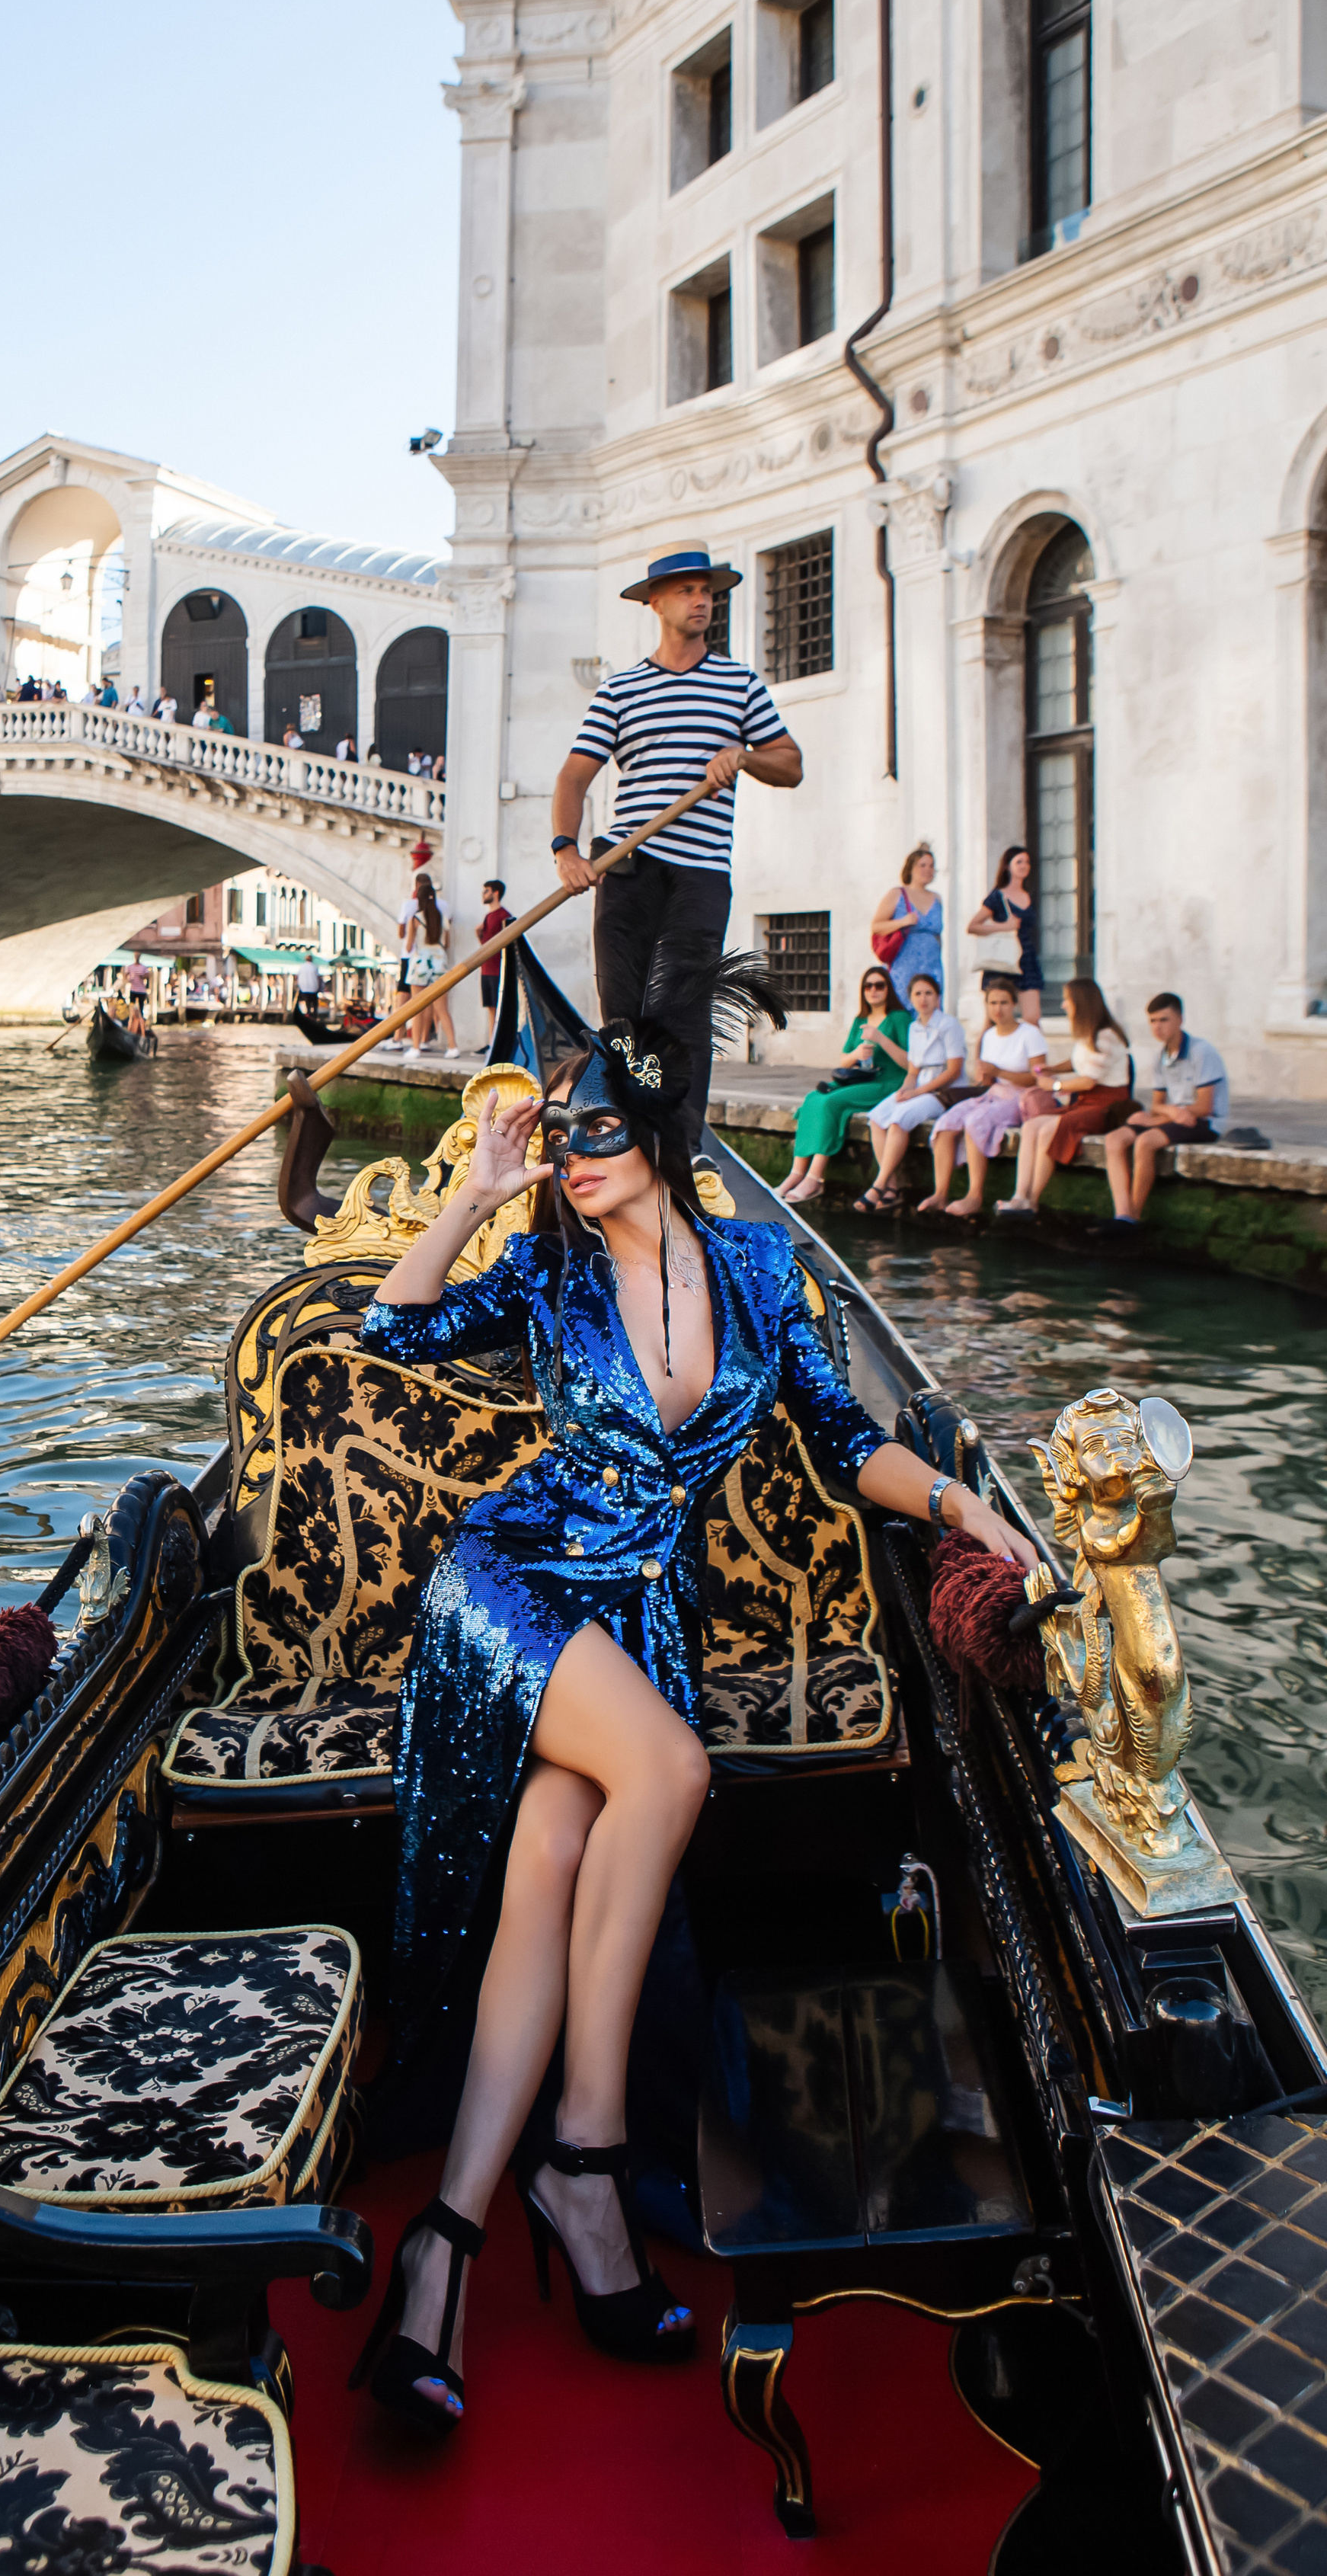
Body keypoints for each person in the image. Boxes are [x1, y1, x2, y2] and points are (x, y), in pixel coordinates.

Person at [350, 983, 1039, 2437]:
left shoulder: (761, 1273)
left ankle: (448, 2242)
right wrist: (473, 1194)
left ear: (661, 1130)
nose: (571, 1153)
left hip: (640, 1618)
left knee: (550, 1860)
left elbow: (846, 1441)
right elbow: (391, 1339)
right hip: (515, 1586)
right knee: (666, 1769)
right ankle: (587, 2162)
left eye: (596, 1127)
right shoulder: (543, 1274)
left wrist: (965, 1501)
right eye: (556, 1134)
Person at [551, 546, 803, 1159]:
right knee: (624, 1012)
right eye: (688, 591)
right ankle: (621, 1136)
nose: (701, 601)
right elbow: (573, 779)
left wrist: (745, 757)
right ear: (656, 602)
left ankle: (680, 1149)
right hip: (626, 865)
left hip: (700, 871)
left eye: (707, 592)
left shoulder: (739, 683)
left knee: (682, 1011)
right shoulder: (620, 690)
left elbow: (790, 764)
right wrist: (566, 849)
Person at [773, 966, 913, 1205]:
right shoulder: (861, 1019)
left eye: (880, 985)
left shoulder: (900, 1018)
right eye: (868, 986)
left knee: (831, 1102)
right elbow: (844, 1059)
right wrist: (858, 1053)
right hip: (861, 1078)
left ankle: (815, 1178)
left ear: (889, 989)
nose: (874, 990)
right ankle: (796, 1173)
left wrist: (881, 1039)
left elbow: (910, 1063)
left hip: (890, 1082)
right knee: (812, 1099)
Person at [997, 979, 1134, 1216]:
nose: (1063, 1005)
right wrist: (1053, 1069)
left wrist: (1055, 1085)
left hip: (1107, 1106)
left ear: (1081, 1003)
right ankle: (1020, 1196)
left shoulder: (1107, 1036)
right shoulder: (1088, 1035)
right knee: (1030, 1127)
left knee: (1049, 1130)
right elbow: (1079, 1061)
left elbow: (1089, 1080)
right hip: (1085, 1103)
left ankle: (1033, 1200)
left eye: (1067, 1000)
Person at [920, 981, 1056, 1218]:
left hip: (1021, 1098)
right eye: (993, 1003)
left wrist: (999, 1072)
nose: (998, 1009)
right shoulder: (989, 1036)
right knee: (947, 1122)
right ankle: (940, 1193)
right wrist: (987, 1078)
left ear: (1014, 1004)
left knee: (976, 1121)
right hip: (994, 1094)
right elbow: (987, 1081)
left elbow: (1039, 1079)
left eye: (1004, 1002)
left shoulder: (1029, 1034)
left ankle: (974, 1196)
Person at [1102, 995, 1231, 1227]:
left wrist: (1164, 1115)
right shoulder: (1160, 1057)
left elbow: (1205, 1107)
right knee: (1114, 1139)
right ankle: (1121, 1213)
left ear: (1180, 1020)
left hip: (1206, 1122)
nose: (1158, 1027)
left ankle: (1133, 1217)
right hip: (1177, 1118)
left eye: (1164, 1020)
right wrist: (1167, 1114)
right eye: (1152, 1021)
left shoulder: (1202, 1052)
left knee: (1145, 1142)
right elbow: (1157, 1105)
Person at [855, 974, 966, 1210]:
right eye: (918, 994)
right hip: (919, 1088)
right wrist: (906, 1090)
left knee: (898, 1121)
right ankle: (892, 1187)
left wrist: (918, 1093)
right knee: (876, 1117)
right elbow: (913, 1071)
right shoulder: (914, 1027)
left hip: (941, 1093)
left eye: (928, 993)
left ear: (937, 997)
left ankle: (879, 1185)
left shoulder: (949, 1025)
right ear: (911, 999)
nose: (923, 999)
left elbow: (954, 1071)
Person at [968, 846, 1043, 1023]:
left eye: (1027, 862)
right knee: (993, 1021)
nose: (1024, 865)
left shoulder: (1030, 895)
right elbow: (973, 926)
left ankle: (1035, 1052)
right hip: (1002, 961)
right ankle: (982, 1052)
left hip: (1027, 959)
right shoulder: (997, 897)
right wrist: (1005, 927)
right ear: (1008, 866)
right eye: (1019, 862)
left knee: (1033, 1018)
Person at [871, 843, 944, 1010]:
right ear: (911, 868)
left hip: (931, 964)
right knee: (902, 1008)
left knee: (931, 1009)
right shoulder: (897, 894)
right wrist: (903, 922)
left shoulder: (937, 899)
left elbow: (938, 935)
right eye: (923, 865)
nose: (928, 869)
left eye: (932, 866)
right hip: (904, 964)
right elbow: (876, 926)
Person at [404, 875, 462, 1057]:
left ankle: (416, 1048)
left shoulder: (416, 918)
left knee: (417, 1007)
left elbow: (409, 945)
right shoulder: (442, 917)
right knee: (442, 1009)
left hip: (420, 963)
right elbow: (447, 944)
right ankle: (453, 1047)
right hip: (439, 963)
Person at [476, 878, 511, 1030]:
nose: (483, 894)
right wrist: (478, 934)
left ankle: (497, 1043)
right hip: (486, 968)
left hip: (498, 970)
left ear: (495, 893)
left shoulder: (504, 916)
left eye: (486, 891)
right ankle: (492, 1043)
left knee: (500, 1009)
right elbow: (486, 945)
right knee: (491, 1008)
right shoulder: (488, 916)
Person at [293, 950, 325, 1038]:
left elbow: (297, 976)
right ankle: (314, 1016)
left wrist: (298, 984)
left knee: (308, 1002)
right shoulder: (315, 967)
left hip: (304, 988)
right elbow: (319, 978)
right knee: (314, 1003)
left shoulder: (302, 967)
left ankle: (308, 1014)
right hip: (313, 988)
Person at [122, 955, 152, 1038]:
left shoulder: (144, 967)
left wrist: (142, 976)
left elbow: (148, 976)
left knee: (141, 1011)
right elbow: (125, 975)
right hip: (133, 990)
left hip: (142, 991)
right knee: (132, 1010)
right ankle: (130, 1028)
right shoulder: (130, 967)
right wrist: (128, 980)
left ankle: (142, 1032)